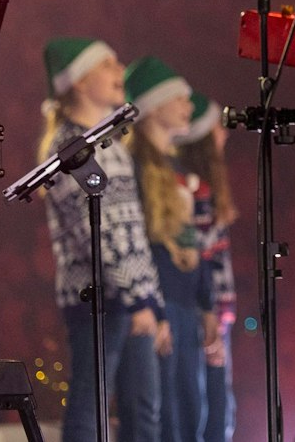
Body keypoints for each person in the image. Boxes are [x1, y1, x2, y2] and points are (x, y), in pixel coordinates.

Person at [38, 37, 164, 442]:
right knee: (91, 408)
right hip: (99, 300)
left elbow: (132, 233)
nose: (119, 70)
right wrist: (137, 298)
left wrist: (150, 301)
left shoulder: (113, 146)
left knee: (143, 410)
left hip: (132, 300)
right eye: (107, 64)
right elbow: (100, 233)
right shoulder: (69, 150)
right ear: (78, 82)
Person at [124, 58, 206, 442]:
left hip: (183, 305)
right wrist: (156, 310)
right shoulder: (134, 165)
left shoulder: (171, 165)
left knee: (191, 413)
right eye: (180, 99)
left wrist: (203, 305)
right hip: (161, 305)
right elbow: (141, 244)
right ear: (155, 106)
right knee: (162, 415)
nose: (189, 107)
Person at [172, 92, 238, 442]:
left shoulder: (208, 189)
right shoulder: (194, 190)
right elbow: (202, 260)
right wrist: (210, 312)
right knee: (206, 410)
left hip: (214, 316)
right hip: (203, 317)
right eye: (217, 128)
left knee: (216, 408)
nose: (224, 134)